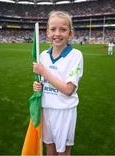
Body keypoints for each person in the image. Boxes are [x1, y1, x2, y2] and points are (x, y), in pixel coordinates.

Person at [33, 11, 83, 155]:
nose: (57, 33)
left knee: (63, 152)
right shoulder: (43, 55)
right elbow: (44, 83)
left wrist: (44, 72)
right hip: (46, 108)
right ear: (47, 32)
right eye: (53, 29)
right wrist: (38, 86)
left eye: (63, 29)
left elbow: (68, 90)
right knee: (49, 148)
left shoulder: (76, 55)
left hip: (64, 111)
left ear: (70, 33)